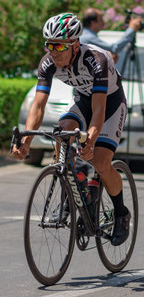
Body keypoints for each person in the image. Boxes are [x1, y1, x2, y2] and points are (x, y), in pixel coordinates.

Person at [12, 13, 131, 246]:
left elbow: (99, 110)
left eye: (59, 45)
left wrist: (91, 141)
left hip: (110, 104)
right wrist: (26, 140)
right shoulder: (48, 63)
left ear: (75, 44)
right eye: (49, 45)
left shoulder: (97, 59)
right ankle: (73, 189)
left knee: (100, 162)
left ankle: (120, 213)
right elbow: (38, 105)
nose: (53, 51)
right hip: (84, 102)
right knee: (61, 132)